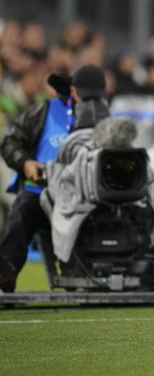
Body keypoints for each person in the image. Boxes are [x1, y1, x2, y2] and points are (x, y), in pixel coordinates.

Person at [0, 64, 107, 292]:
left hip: (86, 199)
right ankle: (4, 272)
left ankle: (102, 274)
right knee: (20, 217)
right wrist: (25, 162)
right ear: (73, 90)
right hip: (41, 190)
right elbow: (10, 142)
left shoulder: (106, 119)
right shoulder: (44, 111)